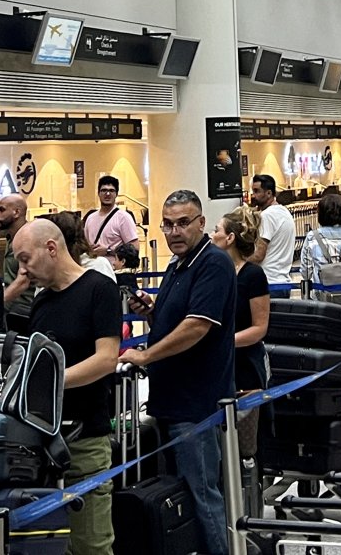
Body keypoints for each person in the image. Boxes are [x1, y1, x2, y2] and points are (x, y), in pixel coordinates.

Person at [120, 191, 235, 555]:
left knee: (203, 496)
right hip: (171, 401)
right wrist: (151, 313)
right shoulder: (176, 265)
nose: (174, 231)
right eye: (168, 224)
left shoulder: (212, 264)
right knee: (181, 499)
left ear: (202, 223)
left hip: (195, 405)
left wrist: (146, 355)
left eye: (183, 223)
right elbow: (174, 323)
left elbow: (197, 327)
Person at [14, 219, 121, 555]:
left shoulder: (99, 289)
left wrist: (51, 384)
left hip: (85, 440)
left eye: (25, 258)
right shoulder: (42, 300)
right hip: (43, 441)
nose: (22, 269)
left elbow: (105, 359)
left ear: (51, 248)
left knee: (91, 543)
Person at [213, 207, 271, 398]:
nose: (212, 236)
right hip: (217, 362)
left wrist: (225, 342)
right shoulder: (214, 273)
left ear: (230, 238)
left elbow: (259, 328)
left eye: (216, 231)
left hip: (245, 364)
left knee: (248, 423)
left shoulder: (253, 275)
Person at [249, 174, 295, 298]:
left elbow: (258, 255)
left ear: (269, 193)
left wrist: (236, 260)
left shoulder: (267, 216)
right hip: (283, 283)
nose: (253, 195)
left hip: (269, 283)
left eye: (257, 191)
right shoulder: (285, 212)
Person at [0, 195, 35, 333]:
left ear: (16, 212)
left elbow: (23, 281)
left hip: (23, 312)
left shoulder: (28, 239)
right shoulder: (11, 237)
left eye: (2, 210)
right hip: (12, 309)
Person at [83, 176, 140, 260]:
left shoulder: (123, 218)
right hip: (94, 269)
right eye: (104, 190)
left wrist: (108, 251)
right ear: (98, 193)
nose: (108, 194)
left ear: (116, 194)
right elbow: (85, 245)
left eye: (111, 190)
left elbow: (134, 249)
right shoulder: (90, 218)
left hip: (115, 271)